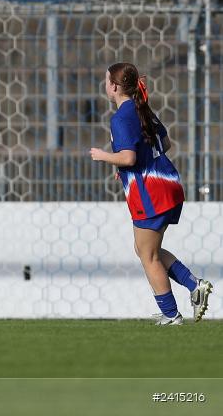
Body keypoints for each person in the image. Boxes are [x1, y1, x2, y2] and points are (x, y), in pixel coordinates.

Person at [90, 62, 212, 324]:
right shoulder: (141, 108)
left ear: (113, 86)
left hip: (150, 192)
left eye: (106, 80)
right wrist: (127, 166)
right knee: (145, 249)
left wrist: (105, 157)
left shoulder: (121, 117)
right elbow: (164, 143)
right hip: (167, 184)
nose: (105, 84)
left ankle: (172, 314)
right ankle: (194, 285)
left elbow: (128, 156)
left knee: (148, 255)